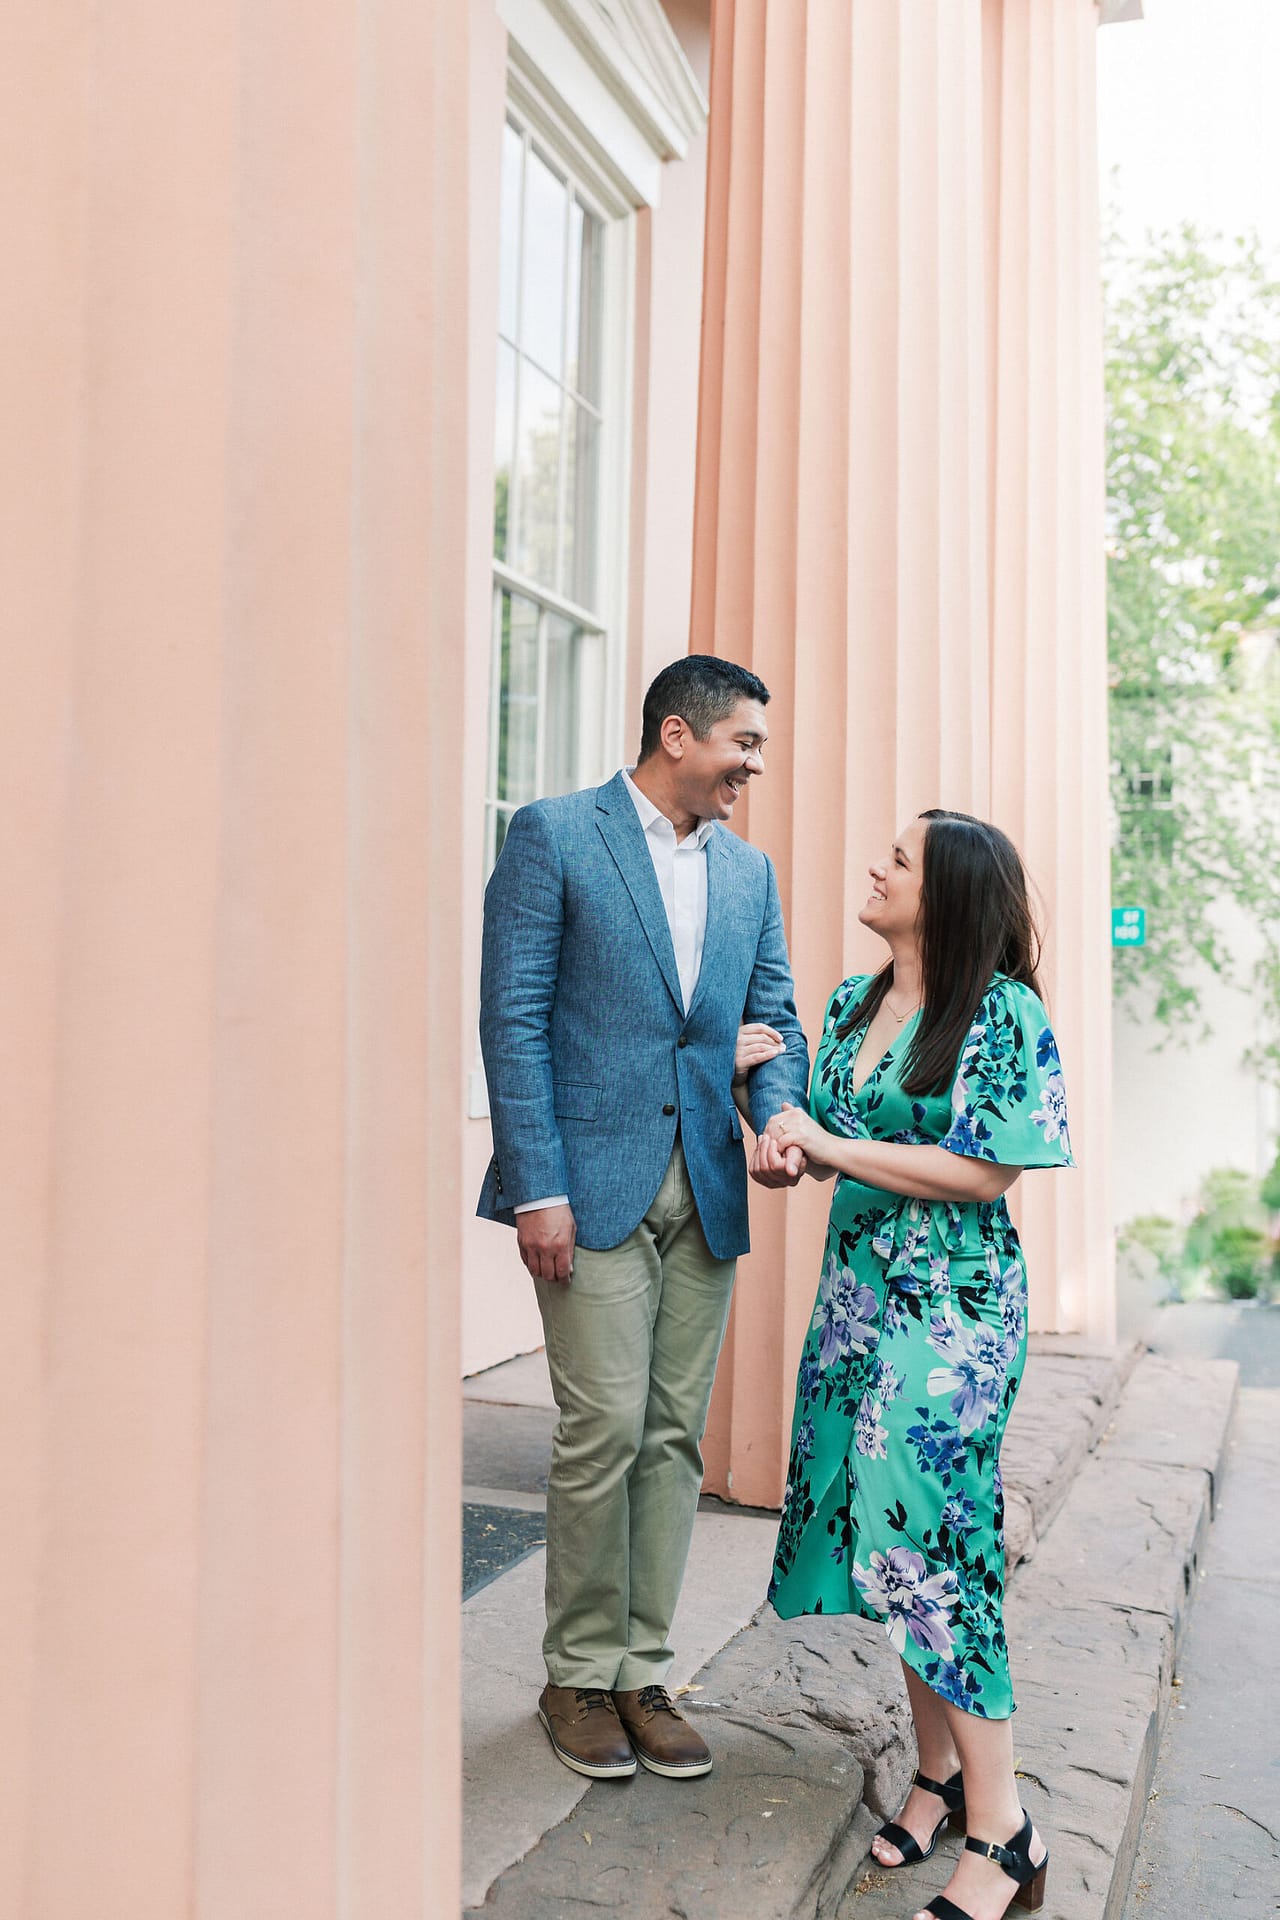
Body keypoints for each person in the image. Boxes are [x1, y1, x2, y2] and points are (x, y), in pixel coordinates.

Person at [478, 654, 810, 1783]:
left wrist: (774, 1122)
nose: (750, 769)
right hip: (587, 1184)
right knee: (602, 1428)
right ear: (678, 734)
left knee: (671, 1437)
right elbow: (513, 1021)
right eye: (742, 746)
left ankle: (639, 1670)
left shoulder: (749, 874)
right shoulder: (554, 836)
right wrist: (537, 1187)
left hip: (707, 1185)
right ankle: (573, 1673)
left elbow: (776, 1019)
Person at [755, 810, 1072, 1920]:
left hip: (953, 1310)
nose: (876, 865)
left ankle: (1006, 1831)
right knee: (884, 1547)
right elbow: (831, 1148)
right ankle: (935, 1779)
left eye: (900, 857)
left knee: (932, 1539)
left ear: (945, 892)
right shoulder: (847, 1004)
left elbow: (981, 1175)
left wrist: (828, 1142)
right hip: (855, 1302)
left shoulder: (1001, 1014)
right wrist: (785, 1147)